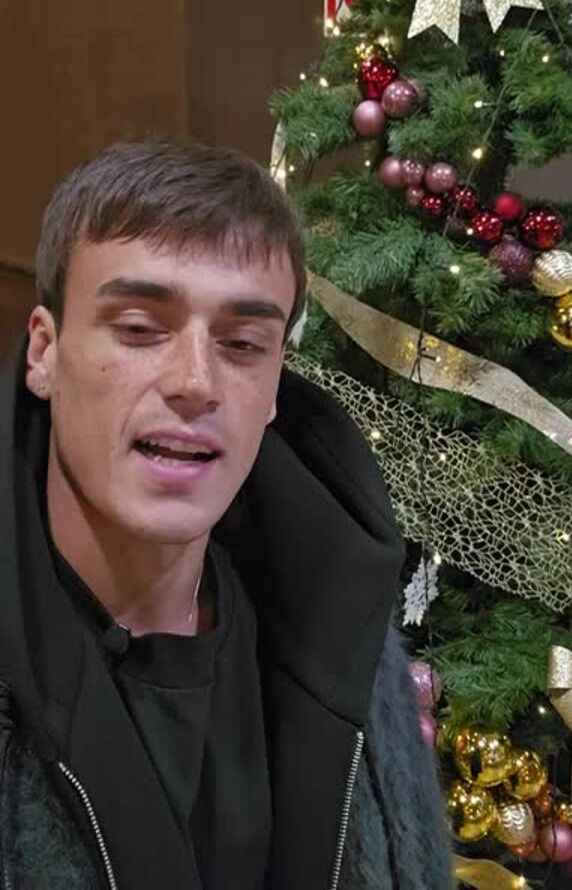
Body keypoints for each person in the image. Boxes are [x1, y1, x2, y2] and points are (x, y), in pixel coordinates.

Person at [0, 140, 452, 890]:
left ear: (275, 387)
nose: (195, 382)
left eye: (242, 344)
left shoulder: (345, 644)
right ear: (44, 353)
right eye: (139, 327)